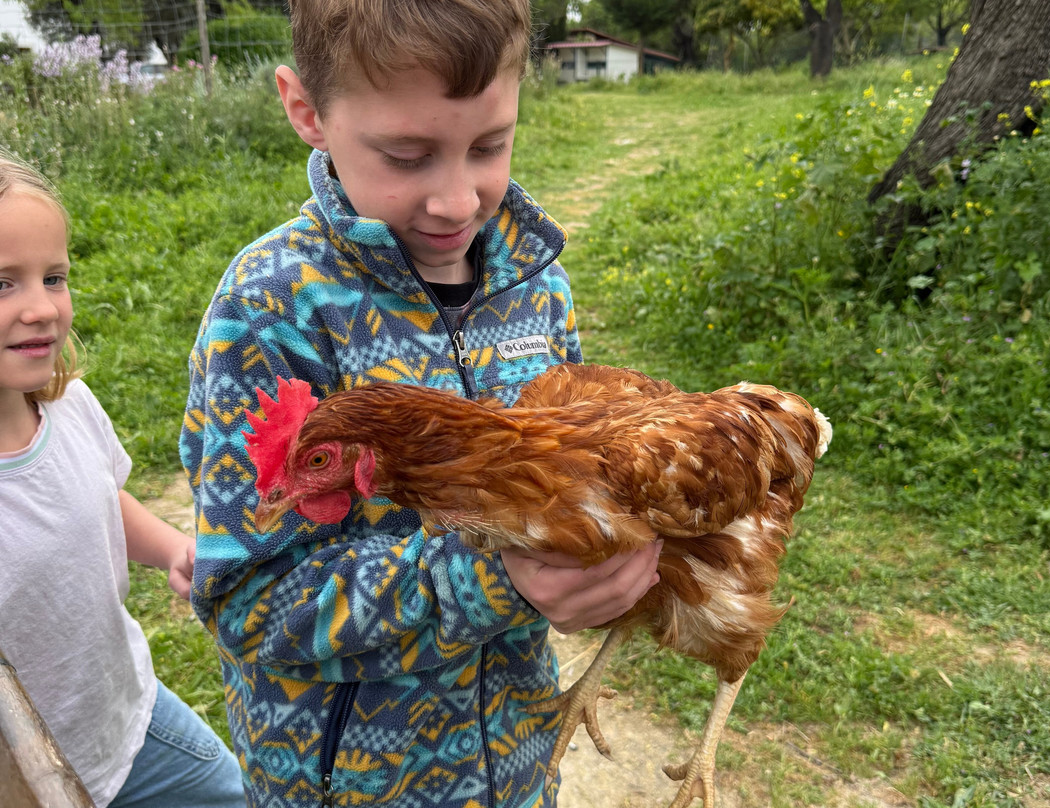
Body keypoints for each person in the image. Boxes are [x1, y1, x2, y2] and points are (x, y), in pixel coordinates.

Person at [179, 1, 663, 806]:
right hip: (348, 784)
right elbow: (252, 607)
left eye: (489, 146)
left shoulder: (535, 286)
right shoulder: (272, 312)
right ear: (307, 112)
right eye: (407, 156)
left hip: (515, 760)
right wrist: (496, 578)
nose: (456, 201)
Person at [0, 151, 247, 808]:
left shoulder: (69, 408)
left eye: (54, 278)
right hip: (23, 779)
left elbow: (100, 496)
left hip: (127, 722)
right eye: (4, 284)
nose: (41, 308)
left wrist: (172, 549)